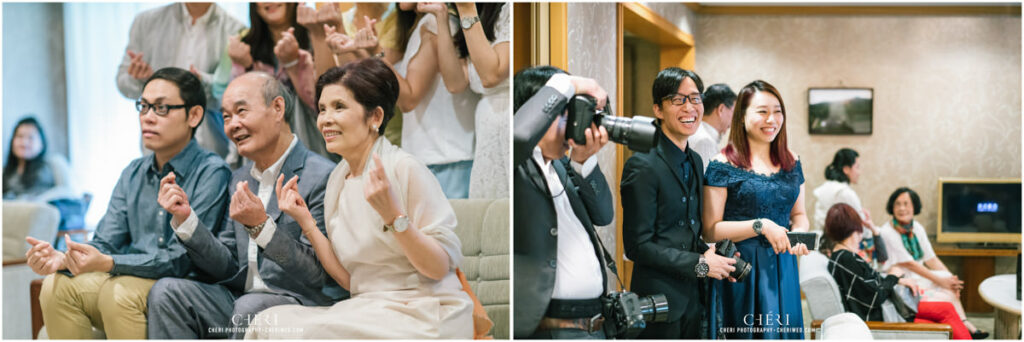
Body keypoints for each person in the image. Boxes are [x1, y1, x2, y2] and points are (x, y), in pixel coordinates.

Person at [246, 58, 472, 339]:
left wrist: (393, 216)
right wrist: (306, 223)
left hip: (424, 310)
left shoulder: (404, 168)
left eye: (339, 107)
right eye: (322, 109)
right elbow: (350, 280)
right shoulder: (337, 180)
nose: (326, 119)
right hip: (368, 306)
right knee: (267, 322)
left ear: (375, 117)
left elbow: (438, 268)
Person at [25, 67, 231, 339]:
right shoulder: (133, 172)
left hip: (182, 289)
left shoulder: (211, 171)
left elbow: (179, 261)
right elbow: (104, 241)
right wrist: (65, 258)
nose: (147, 117)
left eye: (161, 108)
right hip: (127, 281)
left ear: (193, 115)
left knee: (118, 293)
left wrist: (109, 262)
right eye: (143, 107)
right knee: (56, 286)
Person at [146, 72, 337, 338]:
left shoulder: (322, 176)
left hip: (300, 301)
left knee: (250, 306)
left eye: (241, 111)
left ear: (277, 108)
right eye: (226, 117)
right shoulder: (239, 177)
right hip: (241, 301)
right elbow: (228, 266)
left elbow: (319, 275)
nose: (233, 124)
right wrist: (186, 219)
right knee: (167, 292)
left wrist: (262, 228)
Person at [621, 68, 738, 339]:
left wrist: (717, 259)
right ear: (658, 109)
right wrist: (700, 262)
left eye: (695, 99)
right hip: (658, 302)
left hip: (694, 298)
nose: (690, 108)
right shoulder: (642, 164)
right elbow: (638, 246)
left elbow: (690, 231)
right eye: (678, 100)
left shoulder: (696, 160)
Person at [511, 65, 615, 339]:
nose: (572, 126)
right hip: (552, 328)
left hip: (595, 324)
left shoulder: (560, 166)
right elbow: (519, 135)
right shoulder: (516, 165)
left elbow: (604, 215)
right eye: (563, 115)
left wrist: (584, 162)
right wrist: (569, 82)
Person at [702, 80, 809, 339]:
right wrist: (760, 225)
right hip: (742, 270)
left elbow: (799, 215)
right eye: (762, 111)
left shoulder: (792, 161)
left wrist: (799, 235)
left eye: (778, 111)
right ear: (742, 116)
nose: (771, 119)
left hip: (783, 267)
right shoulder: (722, 164)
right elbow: (710, 230)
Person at [823, 203, 972, 339]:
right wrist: (893, 276)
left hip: (887, 308)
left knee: (945, 313)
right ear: (855, 228)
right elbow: (874, 296)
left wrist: (898, 279)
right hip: (883, 315)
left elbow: (871, 281)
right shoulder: (847, 259)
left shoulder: (842, 256)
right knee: (946, 313)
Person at [116, 3, 245, 162]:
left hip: (211, 150)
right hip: (157, 154)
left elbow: (234, 99)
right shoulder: (146, 22)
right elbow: (122, 83)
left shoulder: (236, 30)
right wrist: (143, 80)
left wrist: (202, 84)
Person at [212, 3, 337, 163]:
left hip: (313, 146)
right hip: (259, 159)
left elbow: (323, 101)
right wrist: (246, 65)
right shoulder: (244, 44)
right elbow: (227, 99)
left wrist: (293, 64)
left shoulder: (315, 33)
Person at [389, 3, 478, 199]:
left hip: (446, 159)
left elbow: (408, 98)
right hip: (439, 156)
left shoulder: (436, 25)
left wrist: (377, 57)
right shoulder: (427, 24)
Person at [877, 187, 988, 339]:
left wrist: (951, 278)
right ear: (892, 207)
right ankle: (964, 326)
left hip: (919, 277)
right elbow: (910, 264)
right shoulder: (887, 232)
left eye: (906, 203)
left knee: (949, 285)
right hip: (903, 282)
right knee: (947, 294)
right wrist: (942, 281)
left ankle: (964, 326)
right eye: (898, 204)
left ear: (914, 206)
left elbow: (931, 258)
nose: (902, 208)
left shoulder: (917, 228)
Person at [430, 2, 510, 199]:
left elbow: (491, 76)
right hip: (485, 120)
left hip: (508, 114)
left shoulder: (509, 8)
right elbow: (455, 82)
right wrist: (442, 19)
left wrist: (467, 10)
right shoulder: (478, 13)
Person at [812, 148, 883, 263]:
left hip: (825, 243)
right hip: (842, 246)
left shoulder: (826, 187)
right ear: (846, 169)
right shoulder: (845, 193)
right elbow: (861, 228)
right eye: (857, 167)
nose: (859, 172)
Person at [3, 117, 78, 202]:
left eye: (30, 137)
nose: (24, 142)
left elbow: (68, 191)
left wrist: (35, 201)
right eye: (20, 136)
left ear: (41, 143)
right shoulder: (5, 171)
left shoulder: (54, 163)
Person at [688, 83, 735, 170]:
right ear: (721, 109)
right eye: (734, 112)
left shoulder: (697, 131)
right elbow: (707, 181)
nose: (733, 120)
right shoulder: (705, 141)